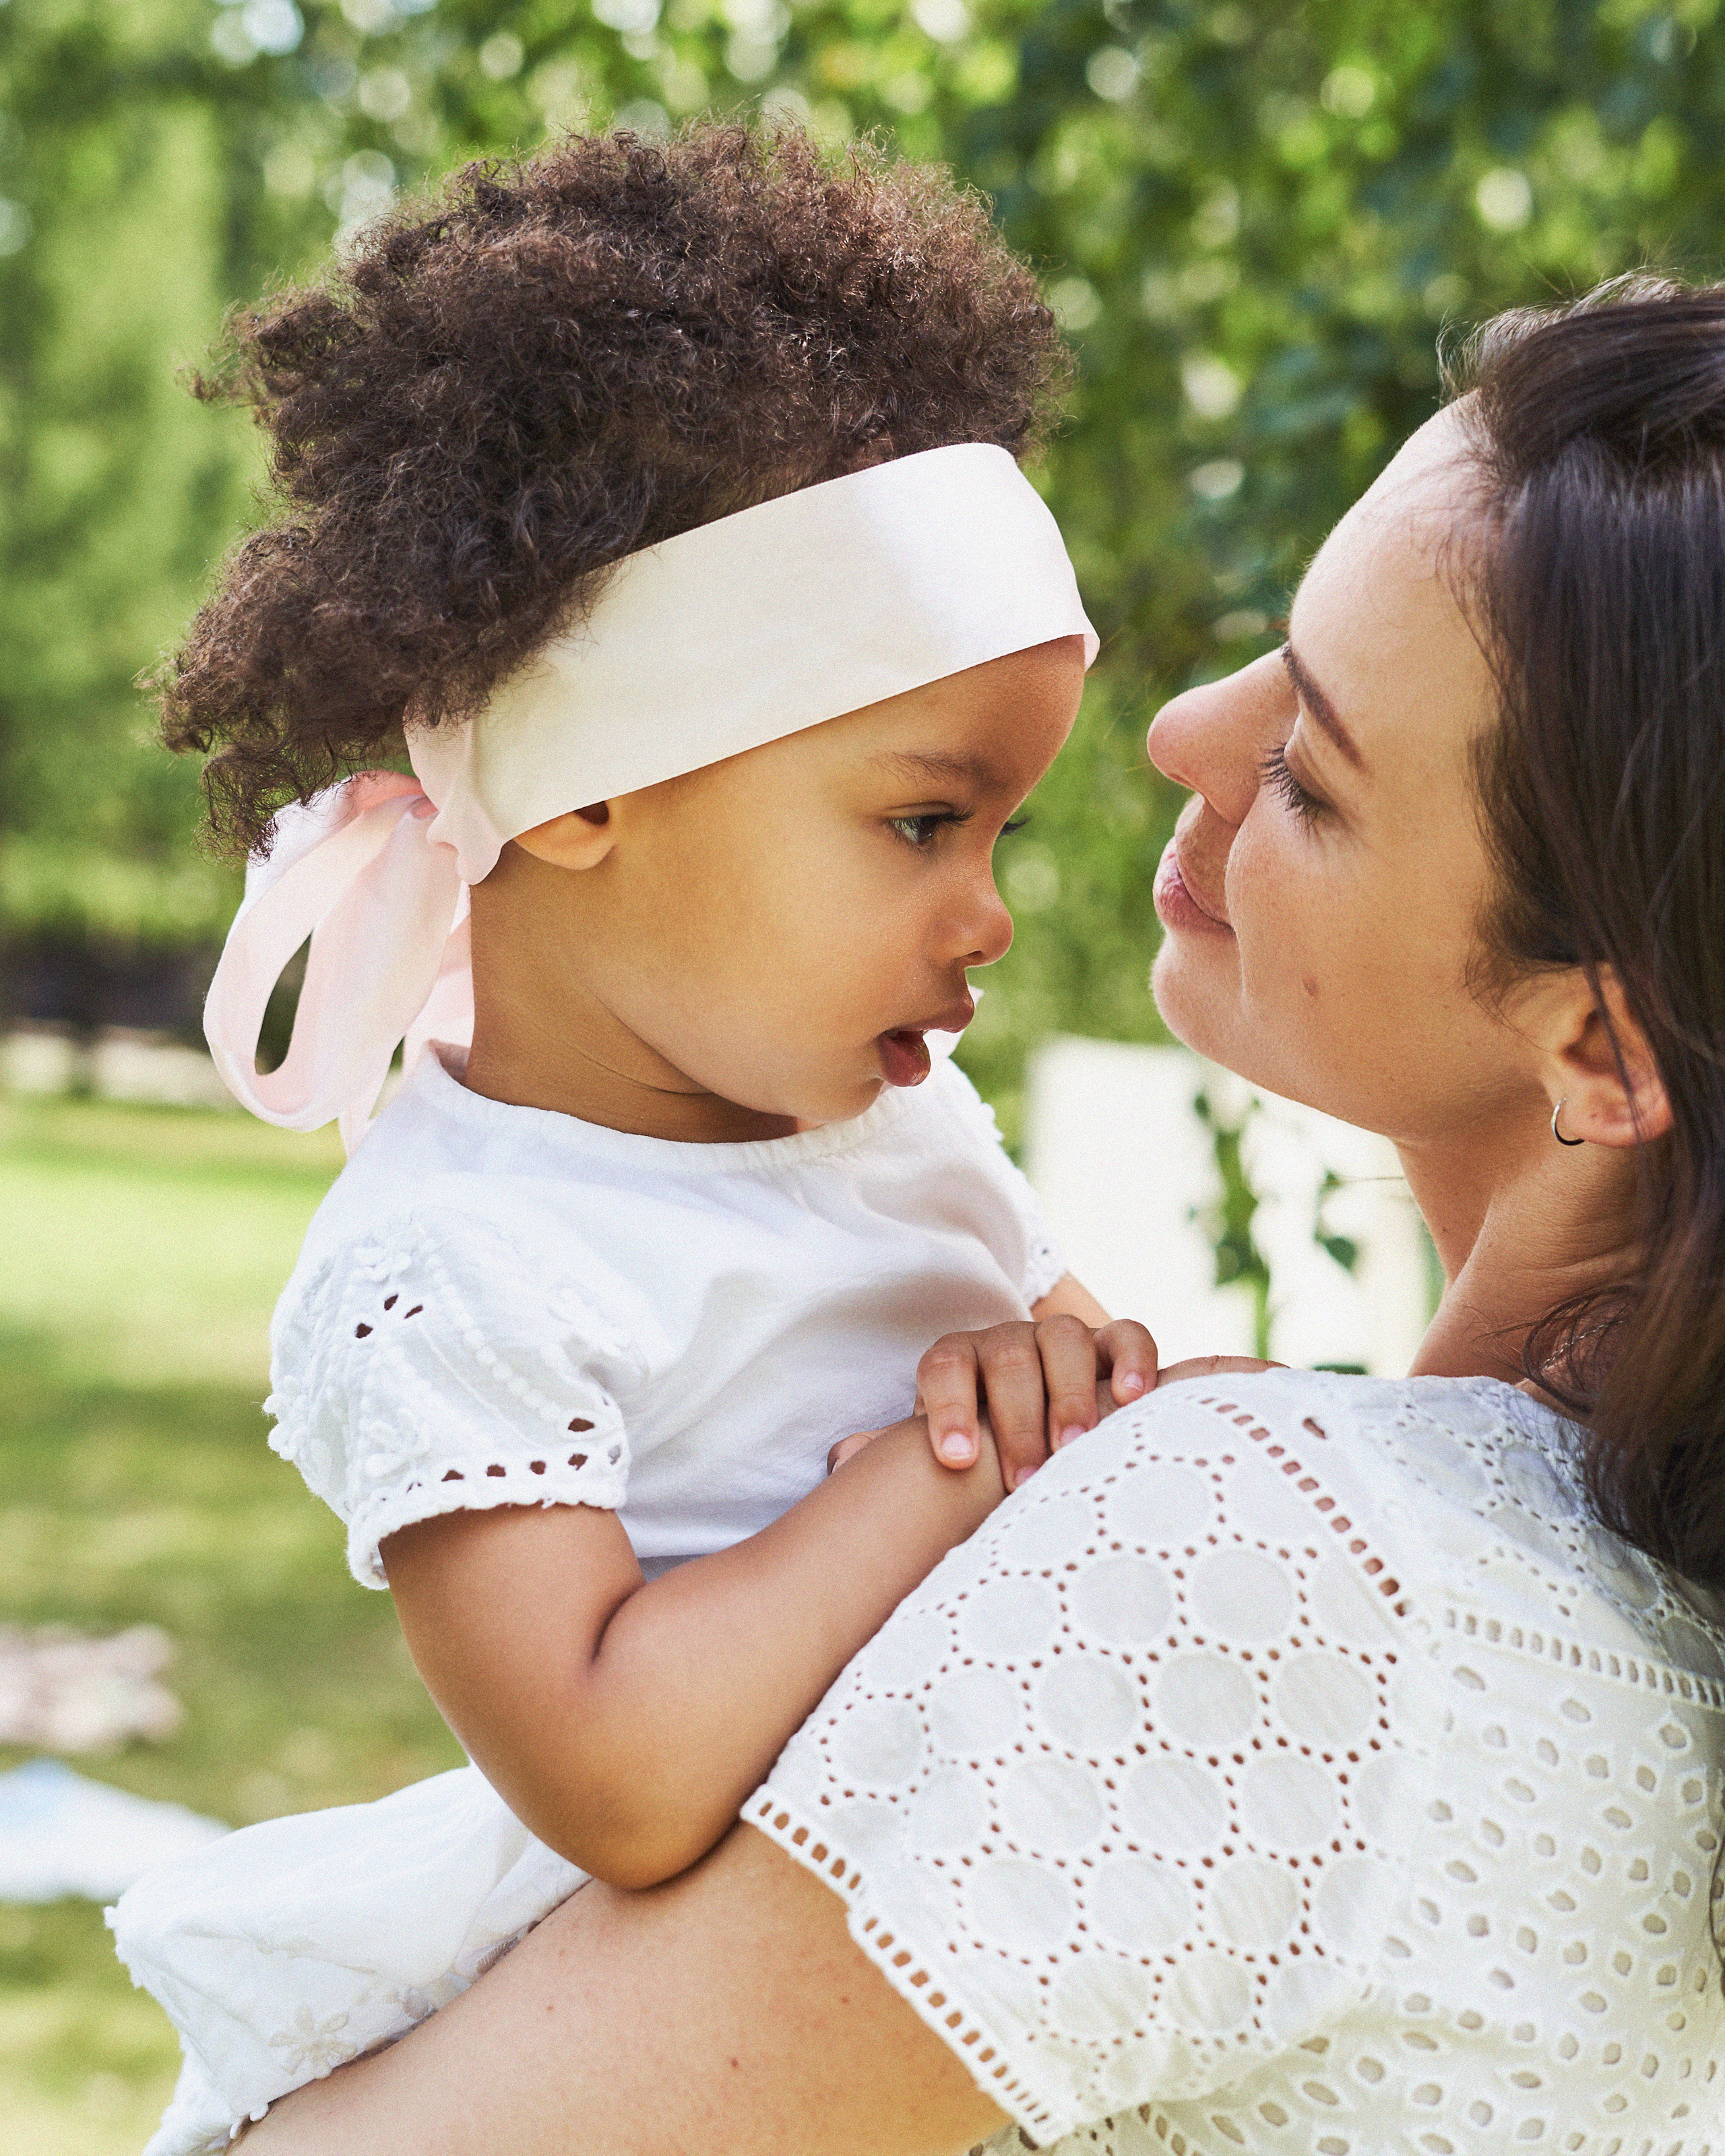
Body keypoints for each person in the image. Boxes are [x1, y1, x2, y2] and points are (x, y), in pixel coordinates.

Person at [231, 277, 1725, 2155]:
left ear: (1597, 1045)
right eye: (1266, 656)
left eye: (1310, 771)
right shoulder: (1637, 1594)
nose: (1184, 731)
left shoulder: (1270, 1567)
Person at [108, 127, 1171, 2156]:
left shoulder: (901, 1125)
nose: (994, 914)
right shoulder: (462, 1264)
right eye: (924, 822)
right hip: (622, 2052)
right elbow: (609, 1767)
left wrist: (1084, 1391)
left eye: (1004, 837)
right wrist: (938, 1479)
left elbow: (1083, 1421)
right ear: (594, 787)